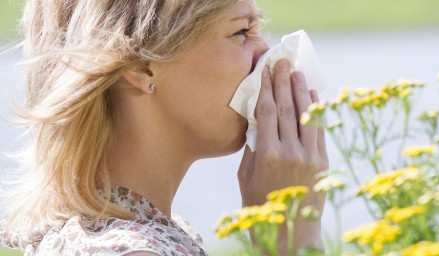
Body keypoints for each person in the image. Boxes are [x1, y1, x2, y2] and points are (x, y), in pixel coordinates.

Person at [0, 0, 328, 255]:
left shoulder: (122, 233)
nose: (266, 54)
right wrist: (292, 238)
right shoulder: (132, 250)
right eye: (241, 32)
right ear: (143, 65)